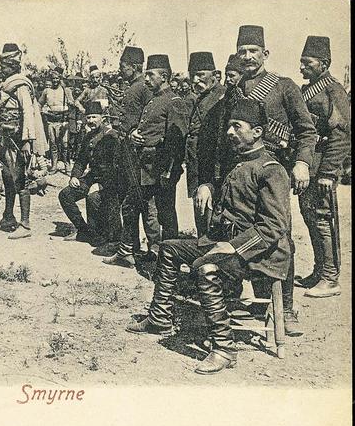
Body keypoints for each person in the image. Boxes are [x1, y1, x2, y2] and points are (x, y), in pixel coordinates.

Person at [125, 99, 291, 375]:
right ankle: (160, 317)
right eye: (229, 126)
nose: (229, 132)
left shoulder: (271, 170)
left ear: (257, 132)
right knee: (169, 248)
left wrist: (234, 247)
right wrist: (208, 187)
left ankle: (224, 348)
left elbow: (274, 226)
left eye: (236, 126)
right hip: (226, 244)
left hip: (260, 254)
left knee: (207, 268)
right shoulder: (238, 162)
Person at [196, 25, 318, 335]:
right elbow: (220, 141)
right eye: (243, 52)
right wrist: (208, 181)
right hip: (238, 175)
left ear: (265, 54)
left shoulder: (284, 86)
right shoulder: (231, 92)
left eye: (253, 51)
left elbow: (306, 131)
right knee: (233, 230)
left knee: (279, 237)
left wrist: (302, 162)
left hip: (271, 172)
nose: (248, 57)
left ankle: (285, 309)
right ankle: (232, 297)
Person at [103, 54, 188, 268]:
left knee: (165, 213)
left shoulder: (174, 102)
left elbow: (177, 140)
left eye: (151, 75)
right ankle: (130, 252)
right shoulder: (153, 99)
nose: (146, 78)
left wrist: (169, 171)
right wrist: (133, 135)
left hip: (160, 168)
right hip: (146, 166)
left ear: (164, 77)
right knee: (133, 206)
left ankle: (169, 259)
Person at [295, 35, 350, 298]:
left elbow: (342, 135)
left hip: (322, 167)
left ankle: (330, 278)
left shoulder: (333, 90)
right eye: (301, 62)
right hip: (310, 165)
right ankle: (319, 271)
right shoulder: (309, 89)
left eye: (308, 63)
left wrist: (328, 172)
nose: (302, 67)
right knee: (310, 217)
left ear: (324, 64)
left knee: (323, 219)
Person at [0, 42, 48, 240]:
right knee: (7, 177)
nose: (2, 69)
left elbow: (28, 113)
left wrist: (26, 141)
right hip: (6, 138)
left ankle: (25, 224)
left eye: (5, 66)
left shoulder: (21, 85)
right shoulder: (5, 86)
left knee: (20, 179)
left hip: (19, 140)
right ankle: (8, 216)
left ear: (13, 66)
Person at [116, 45, 160, 261]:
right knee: (139, 202)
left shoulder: (139, 88)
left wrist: (132, 132)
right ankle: (139, 248)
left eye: (123, 66)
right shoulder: (139, 86)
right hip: (135, 152)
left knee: (139, 203)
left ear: (133, 67)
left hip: (137, 153)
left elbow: (143, 119)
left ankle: (143, 249)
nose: (120, 70)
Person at [58, 101, 122, 246]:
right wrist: (74, 176)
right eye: (88, 117)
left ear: (102, 118)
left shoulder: (111, 136)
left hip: (110, 180)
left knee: (93, 198)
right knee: (65, 195)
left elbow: (116, 166)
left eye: (94, 117)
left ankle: (101, 234)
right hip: (92, 177)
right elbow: (81, 160)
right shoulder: (87, 137)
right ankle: (83, 230)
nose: (91, 121)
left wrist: (101, 184)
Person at [184, 52, 226, 237]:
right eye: (193, 75)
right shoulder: (200, 97)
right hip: (198, 166)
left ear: (215, 75)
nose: (195, 80)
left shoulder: (222, 97)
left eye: (201, 74)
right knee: (200, 211)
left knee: (211, 216)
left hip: (212, 169)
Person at [39, 67, 74, 173]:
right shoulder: (46, 91)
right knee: (53, 143)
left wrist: (69, 106)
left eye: (57, 78)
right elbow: (39, 103)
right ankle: (54, 165)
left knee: (65, 144)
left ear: (60, 78)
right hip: (51, 120)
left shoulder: (66, 90)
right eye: (53, 78)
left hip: (63, 120)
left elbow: (72, 104)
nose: (55, 80)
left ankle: (67, 165)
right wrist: (41, 112)